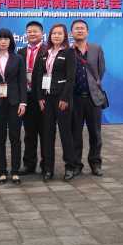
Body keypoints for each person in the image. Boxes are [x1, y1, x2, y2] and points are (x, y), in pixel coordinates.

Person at [0, 29, 27, 184]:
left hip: (15, 103)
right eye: (0, 39)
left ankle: (15, 170)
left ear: (11, 41)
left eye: (6, 39)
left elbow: (22, 81)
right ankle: (2, 171)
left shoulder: (18, 59)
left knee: (15, 137)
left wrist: (23, 102)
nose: (3, 41)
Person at [35, 23, 76, 181]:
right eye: (54, 33)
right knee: (47, 135)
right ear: (50, 36)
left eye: (59, 33)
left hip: (61, 99)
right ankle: (48, 169)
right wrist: (40, 97)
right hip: (47, 99)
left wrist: (65, 98)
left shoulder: (69, 52)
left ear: (65, 36)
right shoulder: (45, 52)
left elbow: (71, 78)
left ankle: (70, 167)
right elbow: (39, 76)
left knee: (66, 134)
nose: (56, 36)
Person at [70, 19, 106, 178]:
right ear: (71, 32)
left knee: (95, 134)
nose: (79, 30)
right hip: (74, 98)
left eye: (82, 28)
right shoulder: (68, 51)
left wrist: (92, 85)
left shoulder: (96, 49)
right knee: (75, 134)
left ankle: (95, 163)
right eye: (76, 28)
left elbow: (101, 70)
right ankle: (76, 164)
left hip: (93, 99)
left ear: (87, 32)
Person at [17, 21, 46, 175]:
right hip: (26, 97)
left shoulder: (48, 51)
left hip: (43, 98)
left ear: (42, 34)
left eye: (35, 31)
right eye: (29, 31)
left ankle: (46, 165)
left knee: (45, 133)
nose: (32, 34)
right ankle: (29, 164)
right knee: (29, 133)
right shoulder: (20, 52)